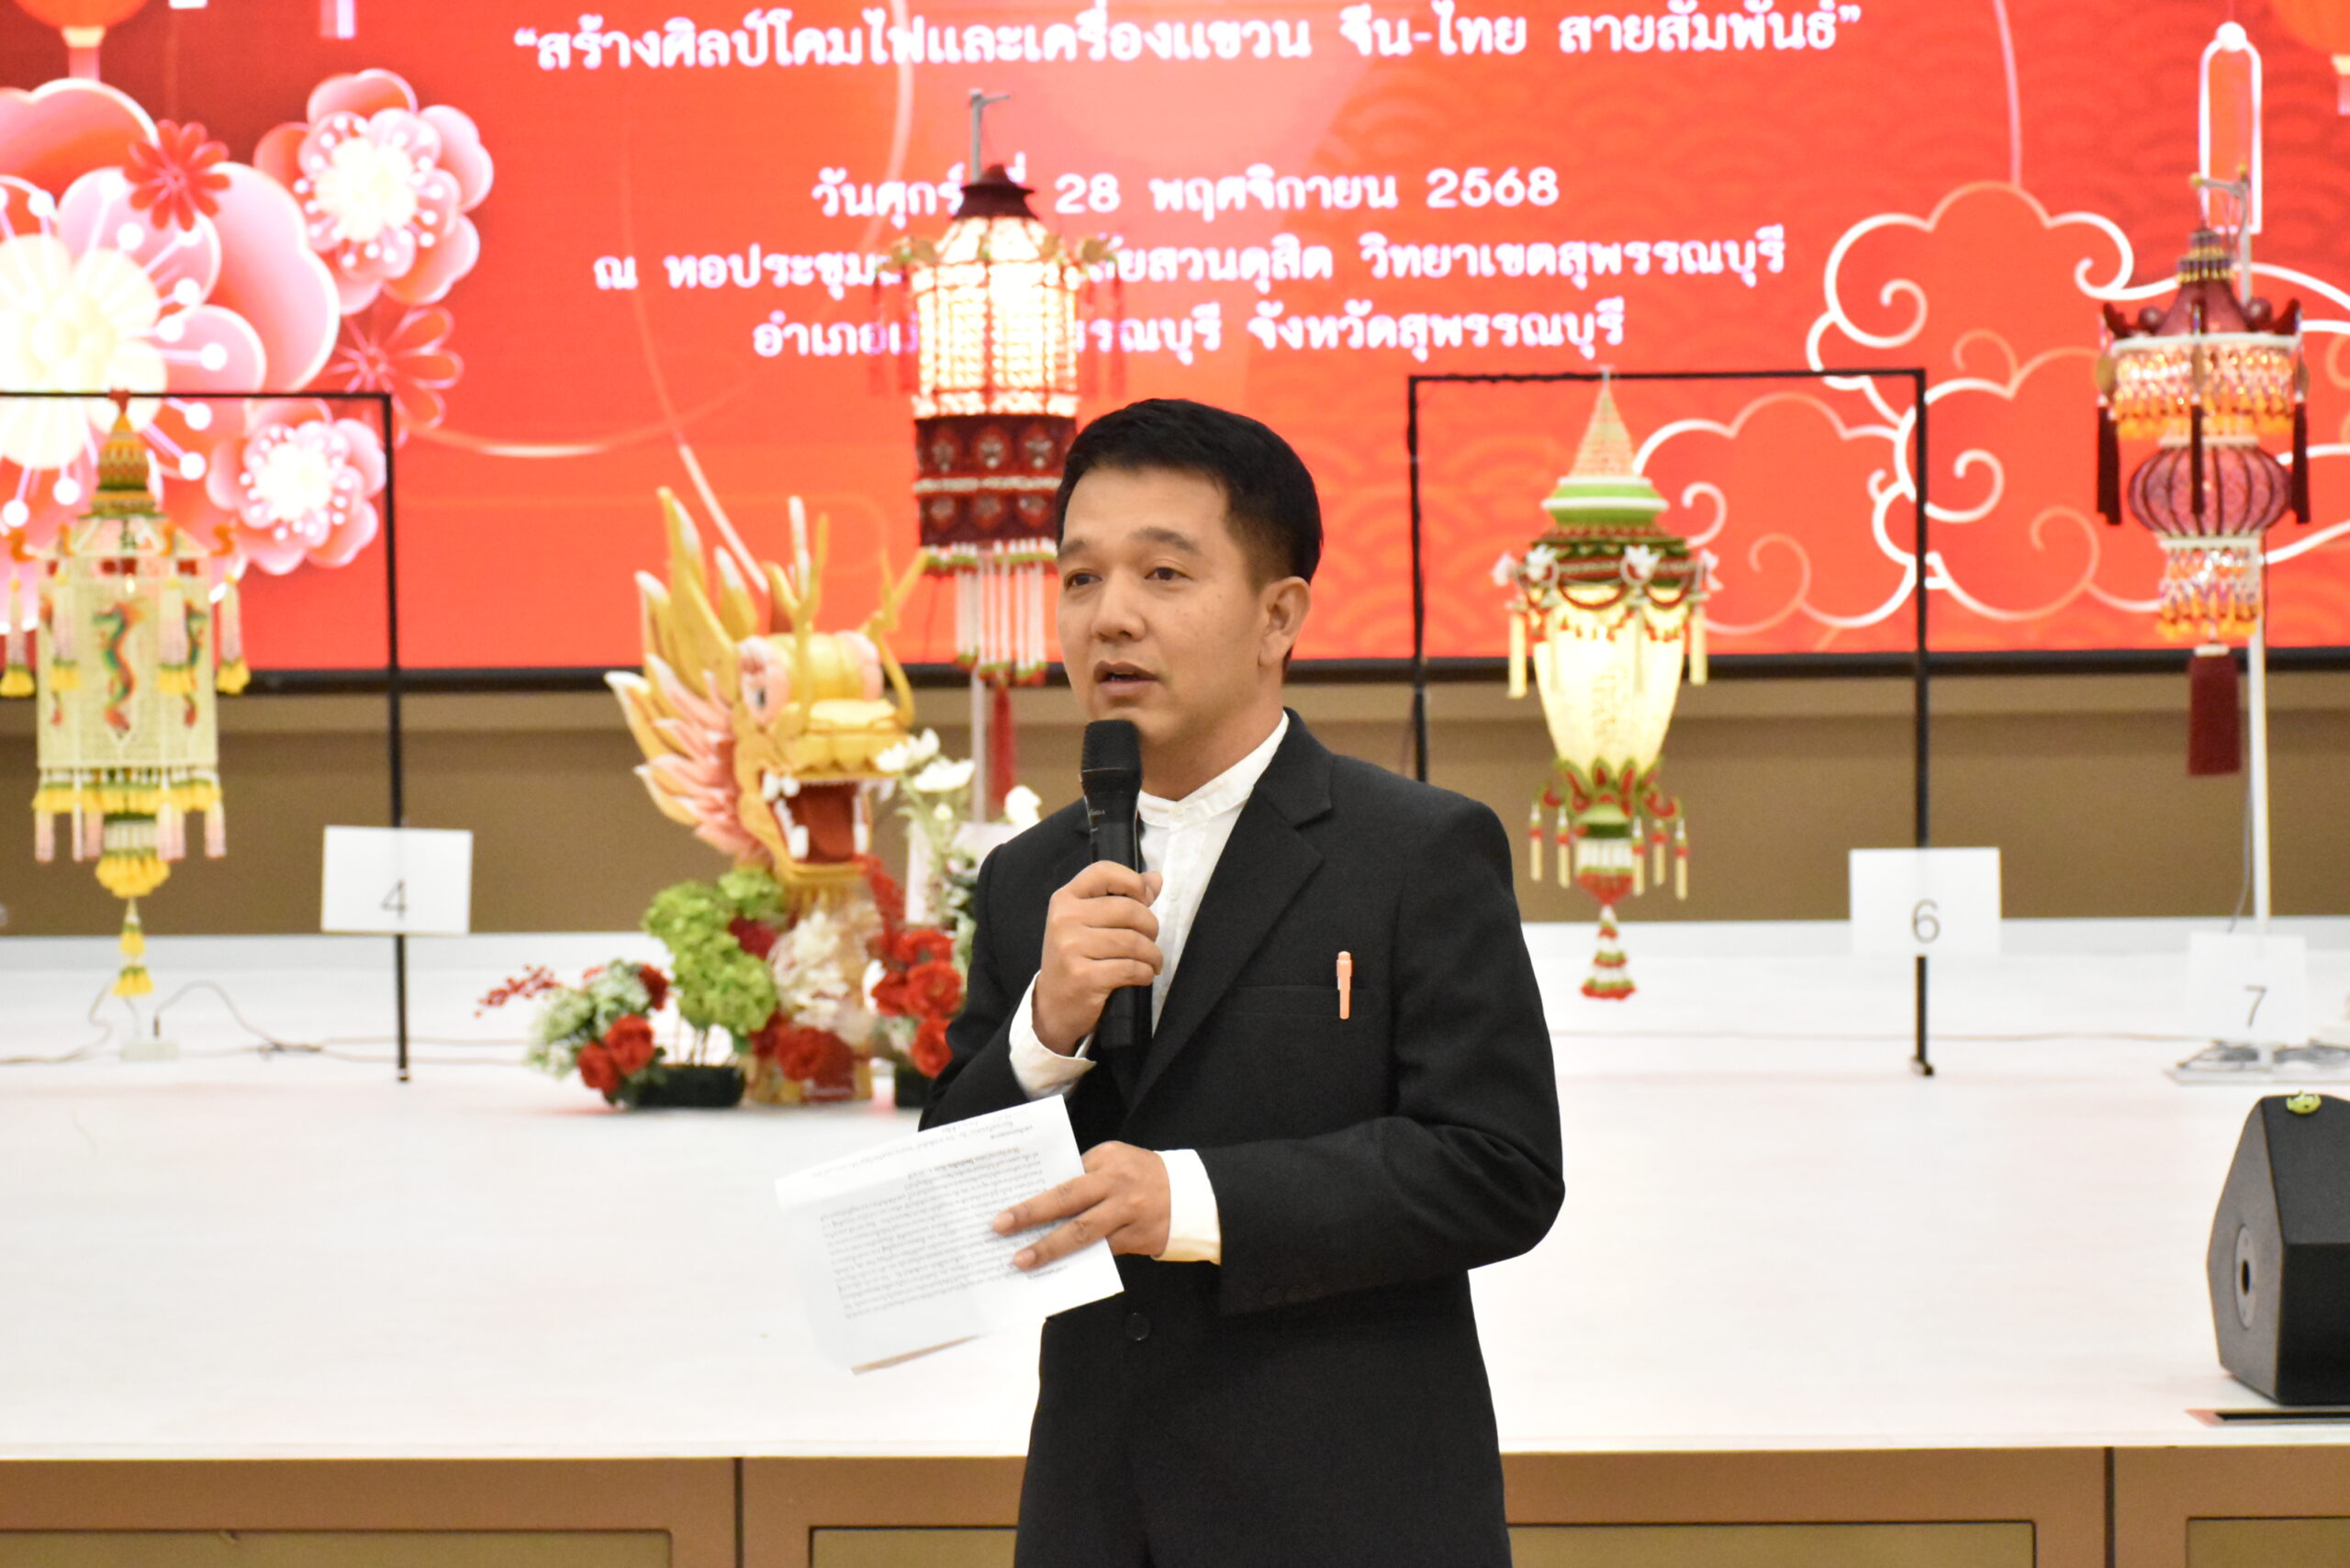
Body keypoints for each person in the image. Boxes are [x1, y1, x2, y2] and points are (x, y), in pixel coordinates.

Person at [921, 398, 1563, 1568]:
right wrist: (1041, 1035)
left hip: (1352, 1514)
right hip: (1096, 1514)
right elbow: (949, 1205)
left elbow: (1498, 1168)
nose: (1111, 615)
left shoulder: (1415, 851)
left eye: (1164, 573)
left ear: (1279, 616)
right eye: (1080, 577)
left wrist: (1193, 1198)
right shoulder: (1026, 878)